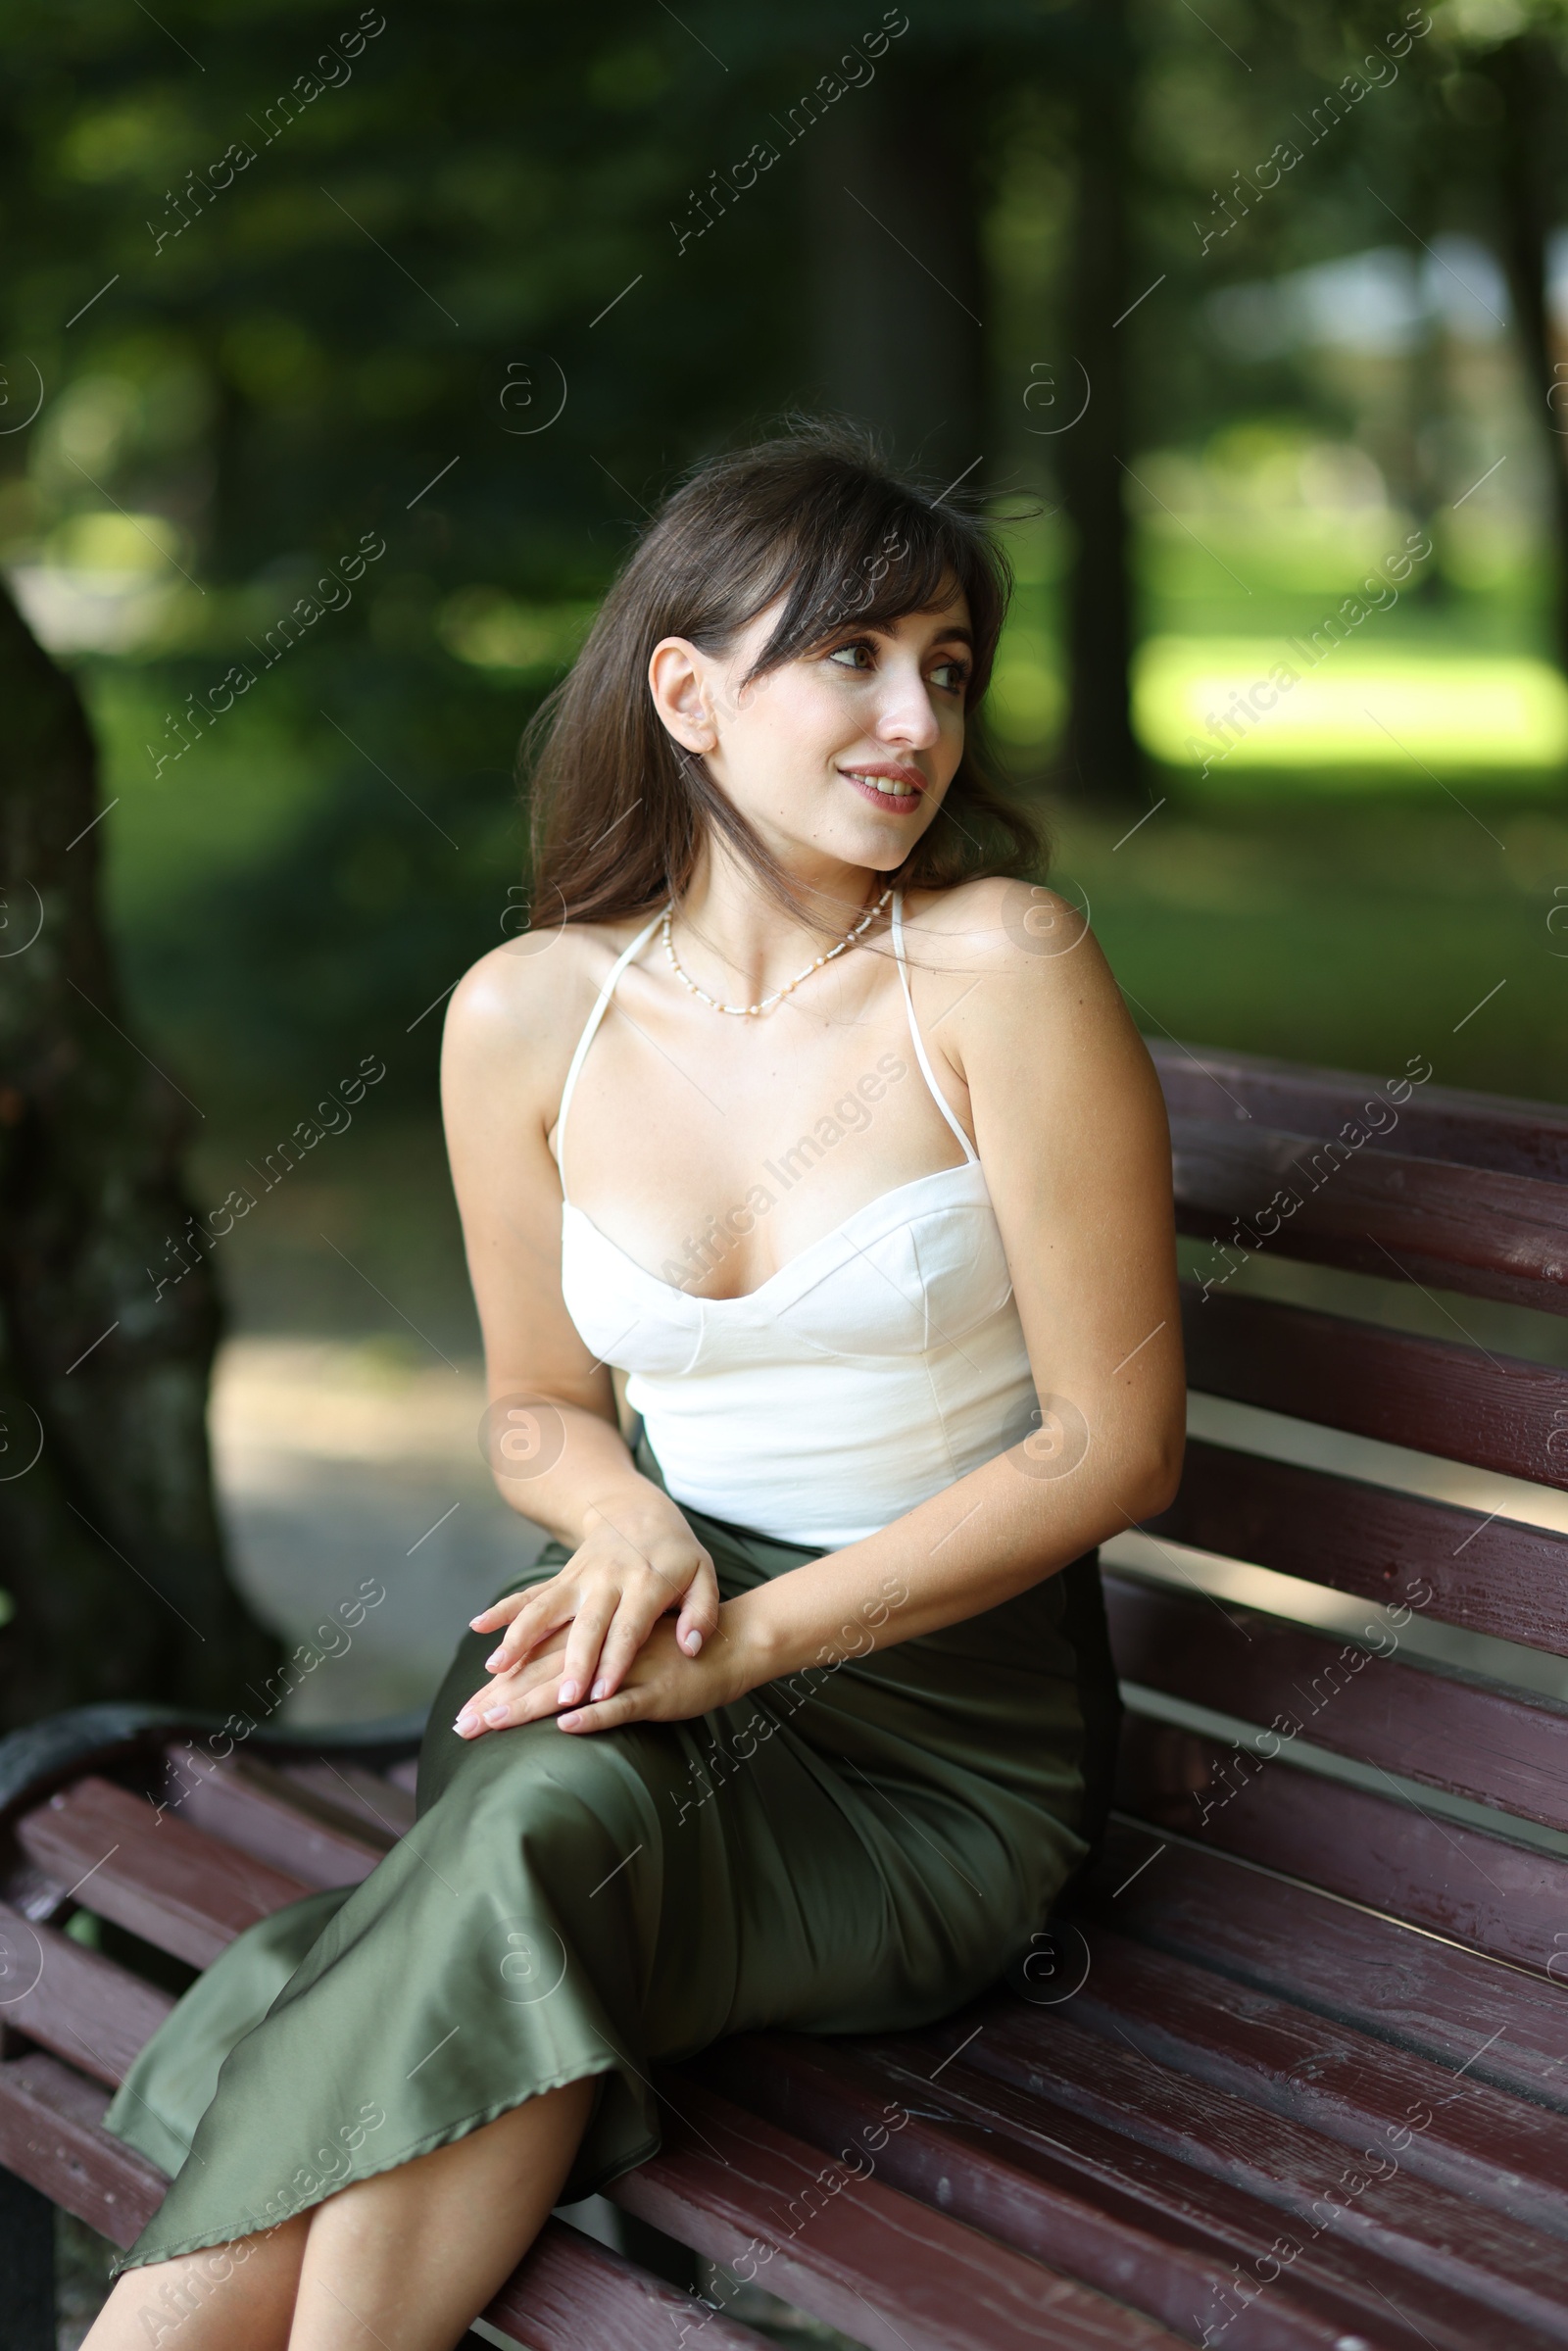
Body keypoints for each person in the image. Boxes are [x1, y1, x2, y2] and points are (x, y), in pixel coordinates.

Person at [88, 426, 1184, 2350]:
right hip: (639, 1650)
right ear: (683, 691)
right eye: (846, 654)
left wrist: (742, 1651)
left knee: (514, 1856)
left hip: (936, 1754)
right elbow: (536, 1406)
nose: (909, 713)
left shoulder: (995, 969)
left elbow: (1111, 1443)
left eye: (942, 664)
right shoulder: (528, 1013)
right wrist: (624, 1511)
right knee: (531, 1848)